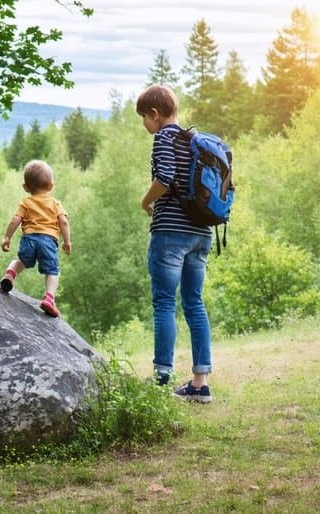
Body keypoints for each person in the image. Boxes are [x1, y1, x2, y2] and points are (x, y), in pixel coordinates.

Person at [137, 85, 213, 403]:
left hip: (171, 232)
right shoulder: (194, 140)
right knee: (194, 303)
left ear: (155, 114)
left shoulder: (164, 138)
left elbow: (165, 177)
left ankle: (162, 377)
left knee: (165, 303)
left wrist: (145, 201)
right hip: (203, 232)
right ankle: (199, 384)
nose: (144, 124)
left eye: (144, 117)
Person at [0, 159, 72, 317]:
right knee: (53, 270)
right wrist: (67, 241)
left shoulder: (26, 203)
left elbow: (15, 220)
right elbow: (64, 222)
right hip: (48, 241)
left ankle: (9, 275)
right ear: (51, 186)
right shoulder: (55, 203)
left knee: (21, 261)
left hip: (29, 239)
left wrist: (7, 237)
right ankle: (49, 298)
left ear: (26, 187)